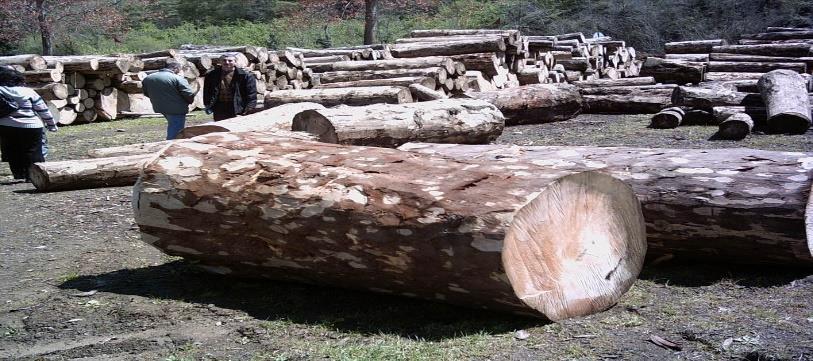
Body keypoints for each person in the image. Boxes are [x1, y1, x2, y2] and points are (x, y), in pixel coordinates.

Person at [0, 67, 58, 181]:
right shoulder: (28, 92)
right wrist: (51, 125)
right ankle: (36, 174)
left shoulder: (1, 90)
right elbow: (43, 109)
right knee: (34, 151)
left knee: (13, 151)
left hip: (5, 126)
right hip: (31, 126)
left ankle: (19, 174)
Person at [142, 62, 196, 140]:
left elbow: (146, 93)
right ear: (176, 69)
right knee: (176, 130)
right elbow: (188, 94)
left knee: (172, 125)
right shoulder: (177, 78)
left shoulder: (148, 78)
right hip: (177, 108)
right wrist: (190, 101)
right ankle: (172, 145)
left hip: (160, 107)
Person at [203, 54, 257, 121]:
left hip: (238, 107)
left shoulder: (245, 76)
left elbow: (252, 95)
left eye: (230, 61)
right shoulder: (212, 75)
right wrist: (207, 104)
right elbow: (206, 91)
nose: (227, 62)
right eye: (224, 60)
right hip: (219, 107)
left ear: (235, 62)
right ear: (220, 62)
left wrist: (249, 109)